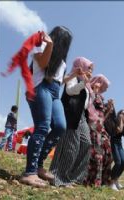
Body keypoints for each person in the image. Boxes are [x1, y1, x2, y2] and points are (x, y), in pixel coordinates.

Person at [20, 26, 74, 187]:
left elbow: (59, 79)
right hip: (40, 87)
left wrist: (73, 76)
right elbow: (43, 64)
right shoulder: (41, 46)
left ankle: (39, 166)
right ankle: (29, 172)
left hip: (55, 92)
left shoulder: (62, 60)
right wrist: (49, 45)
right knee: (42, 127)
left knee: (60, 126)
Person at [48, 57, 94, 187]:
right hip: (71, 114)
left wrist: (88, 86)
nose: (90, 70)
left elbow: (87, 103)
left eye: (91, 68)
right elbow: (70, 90)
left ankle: (73, 177)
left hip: (82, 116)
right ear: (82, 66)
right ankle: (59, 177)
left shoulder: (86, 83)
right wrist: (83, 83)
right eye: (89, 67)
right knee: (70, 146)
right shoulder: (74, 76)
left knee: (86, 144)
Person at [83, 74, 113, 187]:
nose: (106, 88)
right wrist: (94, 92)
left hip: (101, 127)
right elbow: (88, 108)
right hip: (93, 127)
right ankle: (93, 181)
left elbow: (102, 117)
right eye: (105, 84)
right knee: (97, 154)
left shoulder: (100, 97)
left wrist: (108, 109)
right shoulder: (89, 90)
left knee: (109, 154)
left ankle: (103, 180)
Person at [104, 109, 124, 191]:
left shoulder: (123, 123)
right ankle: (111, 183)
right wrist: (121, 122)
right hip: (113, 143)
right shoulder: (115, 121)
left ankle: (115, 180)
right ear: (119, 114)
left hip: (119, 144)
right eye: (123, 113)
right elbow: (118, 131)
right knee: (118, 162)